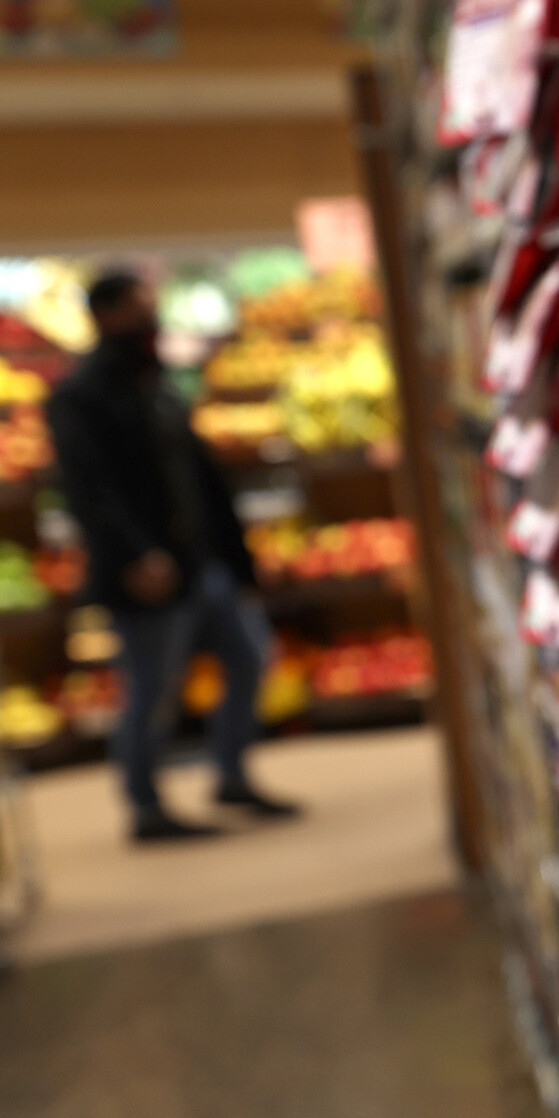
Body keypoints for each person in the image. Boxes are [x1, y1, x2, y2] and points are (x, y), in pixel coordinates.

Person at [46, 271, 300, 841]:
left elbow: (200, 476)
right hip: (147, 572)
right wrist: (138, 555)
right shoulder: (79, 396)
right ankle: (145, 806)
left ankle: (231, 772)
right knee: (153, 689)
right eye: (139, 307)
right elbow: (88, 491)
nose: (151, 316)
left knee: (250, 657)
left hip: (201, 562)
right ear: (107, 314)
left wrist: (238, 558)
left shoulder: (157, 384)